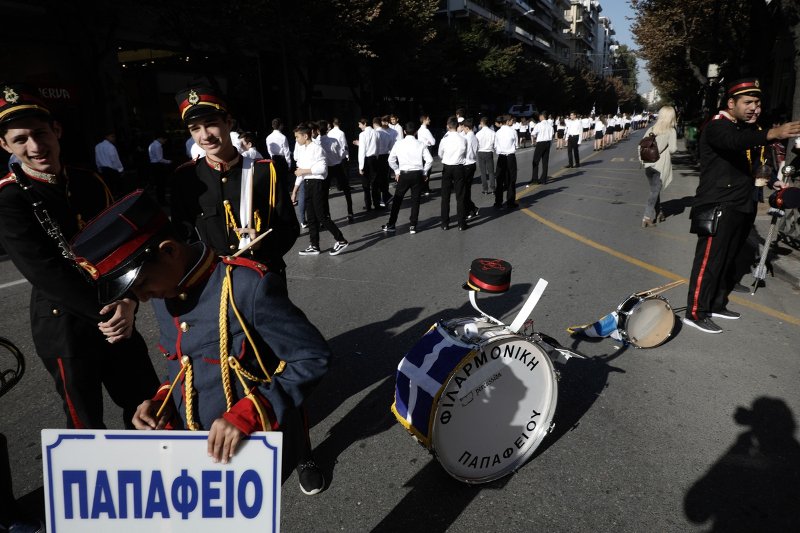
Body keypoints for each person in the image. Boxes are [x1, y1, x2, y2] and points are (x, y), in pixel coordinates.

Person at [70, 190, 331, 495]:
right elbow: (180, 362)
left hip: (253, 441)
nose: (139, 298)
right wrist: (162, 401)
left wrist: (249, 413)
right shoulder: (164, 291)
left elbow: (312, 357)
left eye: (141, 284)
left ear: (169, 251)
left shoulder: (247, 286)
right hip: (198, 449)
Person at [0, 82, 159, 430]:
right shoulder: (11, 200)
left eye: (41, 133)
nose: (36, 146)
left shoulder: (90, 181)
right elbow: (45, 273)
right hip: (67, 326)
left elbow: (127, 246)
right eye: (21, 139)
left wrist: (130, 300)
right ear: (5, 145)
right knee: (85, 426)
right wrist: (110, 313)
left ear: (57, 130)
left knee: (149, 406)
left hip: (118, 313)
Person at [683, 78, 800, 334]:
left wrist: (773, 181)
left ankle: (715, 304)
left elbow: (754, 162)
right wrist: (773, 133)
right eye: (748, 102)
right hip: (717, 204)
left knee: (729, 259)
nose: (754, 108)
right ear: (731, 103)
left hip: (742, 203)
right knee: (709, 262)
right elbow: (734, 144)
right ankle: (695, 311)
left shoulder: (745, 128)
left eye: (757, 103)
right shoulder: (717, 126)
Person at [170, 87, 299, 275]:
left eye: (211, 124)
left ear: (228, 123)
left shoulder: (265, 172)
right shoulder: (186, 177)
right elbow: (182, 237)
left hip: (261, 277)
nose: (205, 136)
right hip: (212, 282)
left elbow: (289, 228)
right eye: (195, 129)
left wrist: (263, 243)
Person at [293, 123, 349, 256]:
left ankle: (341, 240)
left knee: (321, 215)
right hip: (307, 183)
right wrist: (295, 190)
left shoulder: (317, 148)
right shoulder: (303, 150)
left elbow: (322, 169)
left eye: (297, 137)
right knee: (311, 217)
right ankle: (314, 245)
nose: (296, 140)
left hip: (317, 184)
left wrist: (304, 171)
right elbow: (300, 172)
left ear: (305, 136)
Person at [381, 121, 433, 234]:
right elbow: (429, 160)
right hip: (417, 174)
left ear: (404, 132)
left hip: (404, 174)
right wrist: (424, 173)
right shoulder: (421, 144)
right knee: (416, 200)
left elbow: (391, 159)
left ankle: (391, 224)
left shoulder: (398, 144)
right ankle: (413, 225)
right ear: (415, 132)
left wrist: (396, 171)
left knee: (397, 200)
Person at [640, 106, 678, 228]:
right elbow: (672, 149)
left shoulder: (652, 128)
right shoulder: (671, 131)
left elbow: (641, 145)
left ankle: (660, 212)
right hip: (660, 165)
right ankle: (647, 217)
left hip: (648, 165)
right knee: (654, 191)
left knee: (655, 190)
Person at [318, 120, 353, 221]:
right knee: (346, 189)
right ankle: (350, 212)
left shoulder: (317, 143)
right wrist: (345, 152)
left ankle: (326, 214)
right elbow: (339, 155)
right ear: (327, 129)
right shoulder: (333, 140)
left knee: (324, 193)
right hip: (337, 166)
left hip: (326, 168)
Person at [438, 116, 468, 230]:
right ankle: (461, 223)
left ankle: (444, 223)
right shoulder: (463, 139)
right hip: (459, 167)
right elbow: (465, 153)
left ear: (447, 125)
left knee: (445, 196)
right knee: (460, 196)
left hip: (447, 167)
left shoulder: (444, 139)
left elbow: (440, 154)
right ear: (457, 126)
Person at [493, 115, 518, 209]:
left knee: (499, 180)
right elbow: (516, 145)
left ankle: (498, 202)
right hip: (510, 156)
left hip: (501, 157)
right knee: (511, 179)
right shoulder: (513, 131)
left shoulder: (498, 132)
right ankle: (510, 201)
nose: (512, 122)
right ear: (507, 121)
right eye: (511, 120)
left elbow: (495, 146)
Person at [355, 117, 379, 210]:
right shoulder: (376, 132)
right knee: (375, 182)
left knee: (366, 183)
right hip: (374, 158)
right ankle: (376, 203)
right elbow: (378, 146)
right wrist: (376, 156)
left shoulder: (362, 134)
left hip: (366, 159)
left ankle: (368, 204)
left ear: (364, 123)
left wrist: (360, 166)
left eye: (360, 124)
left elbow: (362, 150)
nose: (359, 126)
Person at [95, 131, 127, 197]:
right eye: (112, 136)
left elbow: (97, 159)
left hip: (103, 171)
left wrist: (99, 169)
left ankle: (113, 201)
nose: (114, 138)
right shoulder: (110, 147)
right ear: (106, 137)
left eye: (114, 136)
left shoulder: (97, 146)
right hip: (112, 170)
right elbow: (115, 160)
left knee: (110, 189)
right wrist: (121, 170)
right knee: (118, 189)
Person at [460, 118, 480, 220]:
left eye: (463, 128)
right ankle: (472, 208)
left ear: (467, 128)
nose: (462, 129)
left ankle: (470, 210)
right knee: (467, 189)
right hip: (472, 163)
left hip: (466, 164)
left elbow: (463, 152)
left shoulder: (466, 138)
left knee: (464, 191)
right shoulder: (475, 137)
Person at [529, 111, 554, 185]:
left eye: (539, 117)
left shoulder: (539, 125)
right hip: (548, 143)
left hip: (540, 143)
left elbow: (533, 134)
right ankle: (544, 179)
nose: (539, 118)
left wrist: (536, 137)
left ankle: (535, 179)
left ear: (542, 116)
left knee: (535, 161)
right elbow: (552, 136)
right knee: (545, 162)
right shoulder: (550, 126)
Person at [148, 133, 172, 204]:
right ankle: (162, 201)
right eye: (164, 140)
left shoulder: (151, 144)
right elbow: (159, 159)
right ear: (161, 138)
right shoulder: (158, 146)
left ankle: (160, 200)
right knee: (161, 184)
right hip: (158, 166)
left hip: (153, 165)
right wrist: (169, 161)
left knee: (158, 184)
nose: (164, 142)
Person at [475, 116, 496, 194]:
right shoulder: (493, 133)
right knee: (491, 172)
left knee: (483, 172)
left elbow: (476, 145)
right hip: (489, 152)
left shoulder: (478, 134)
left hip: (481, 152)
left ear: (482, 123)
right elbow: (495, 144)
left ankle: (485, 189)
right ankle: (493, 188)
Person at [417, 114, 436, 196]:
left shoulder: (419, 130)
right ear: (424, 120)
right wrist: (429, 141)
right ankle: (425, 188)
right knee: (427, 170)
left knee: (423, 169)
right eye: (428, 119)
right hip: (427, 149)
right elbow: (433, 142)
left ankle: (423, 188)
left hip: (421, 150)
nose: (429, 120)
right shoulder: (426, 130)